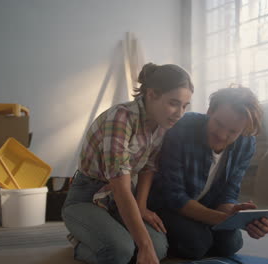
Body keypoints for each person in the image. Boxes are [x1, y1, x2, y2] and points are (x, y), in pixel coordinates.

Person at [62, 63, 194, 264]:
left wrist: (141, 207)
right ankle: (82, 243)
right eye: (174, 103)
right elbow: (120, 187)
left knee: (158, 249)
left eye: (185, 106)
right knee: (120, 251)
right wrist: (144, 246)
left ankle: (107, 237)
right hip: (86, 197)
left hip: (118, 199)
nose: (180, 113)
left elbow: (148, 168)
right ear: (151, 95)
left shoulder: (163, 123)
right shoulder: (121, 117)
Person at [148, 86, 268, 260]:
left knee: (231, 244)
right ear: (209, 111)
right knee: (197, 245)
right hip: (166, 205)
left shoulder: (246, 143)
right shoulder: (182, 128)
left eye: (232, 131)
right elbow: (173, 196)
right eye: (219, 124)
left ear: (243, 130)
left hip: (205, 205)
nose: (222, 135)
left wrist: (236, 214)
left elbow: (228, 192)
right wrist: (223, 219)